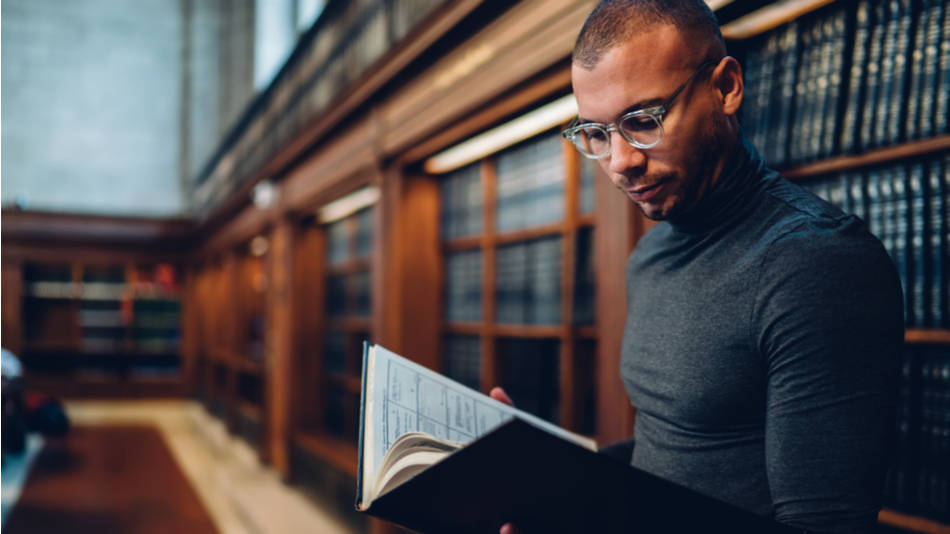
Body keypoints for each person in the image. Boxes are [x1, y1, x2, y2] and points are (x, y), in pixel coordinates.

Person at [491, 1, 904, 532]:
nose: (620, 161)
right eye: (596, 133)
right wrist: (547, 474)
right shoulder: (650, 258)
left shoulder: (817, 265)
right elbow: (676, 452)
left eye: (643, 121)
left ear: (726, 87)